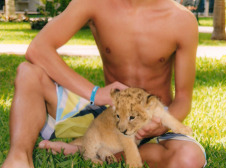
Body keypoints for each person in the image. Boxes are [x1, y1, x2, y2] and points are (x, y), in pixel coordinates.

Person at [2, 0, 207, 167]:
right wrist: (95, 93)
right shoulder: (94, 3)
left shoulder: (182, 20)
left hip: (152, 122)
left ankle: (100, 153)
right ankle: (18, 158)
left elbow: (183, 99)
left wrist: (161, 124)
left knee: (189, 158)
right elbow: (38, 49)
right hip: (105, 117)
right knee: (27, 73)